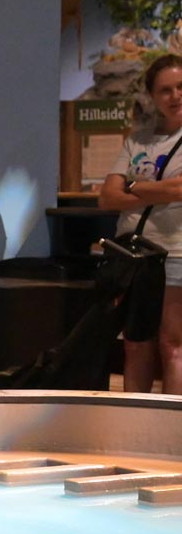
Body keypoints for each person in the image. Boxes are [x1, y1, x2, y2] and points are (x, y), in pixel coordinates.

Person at [100, 54, 182, 393]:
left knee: (173, 346)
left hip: (175, 253)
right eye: (165, 90)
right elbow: (107, 197)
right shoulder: (138, 140)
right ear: (152, 96)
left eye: (181, 87)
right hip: (132, 255)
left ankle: (171, 432)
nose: (175, 95)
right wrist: (159, 192)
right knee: (135, 343)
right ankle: (132, 427)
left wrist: (134, 186)